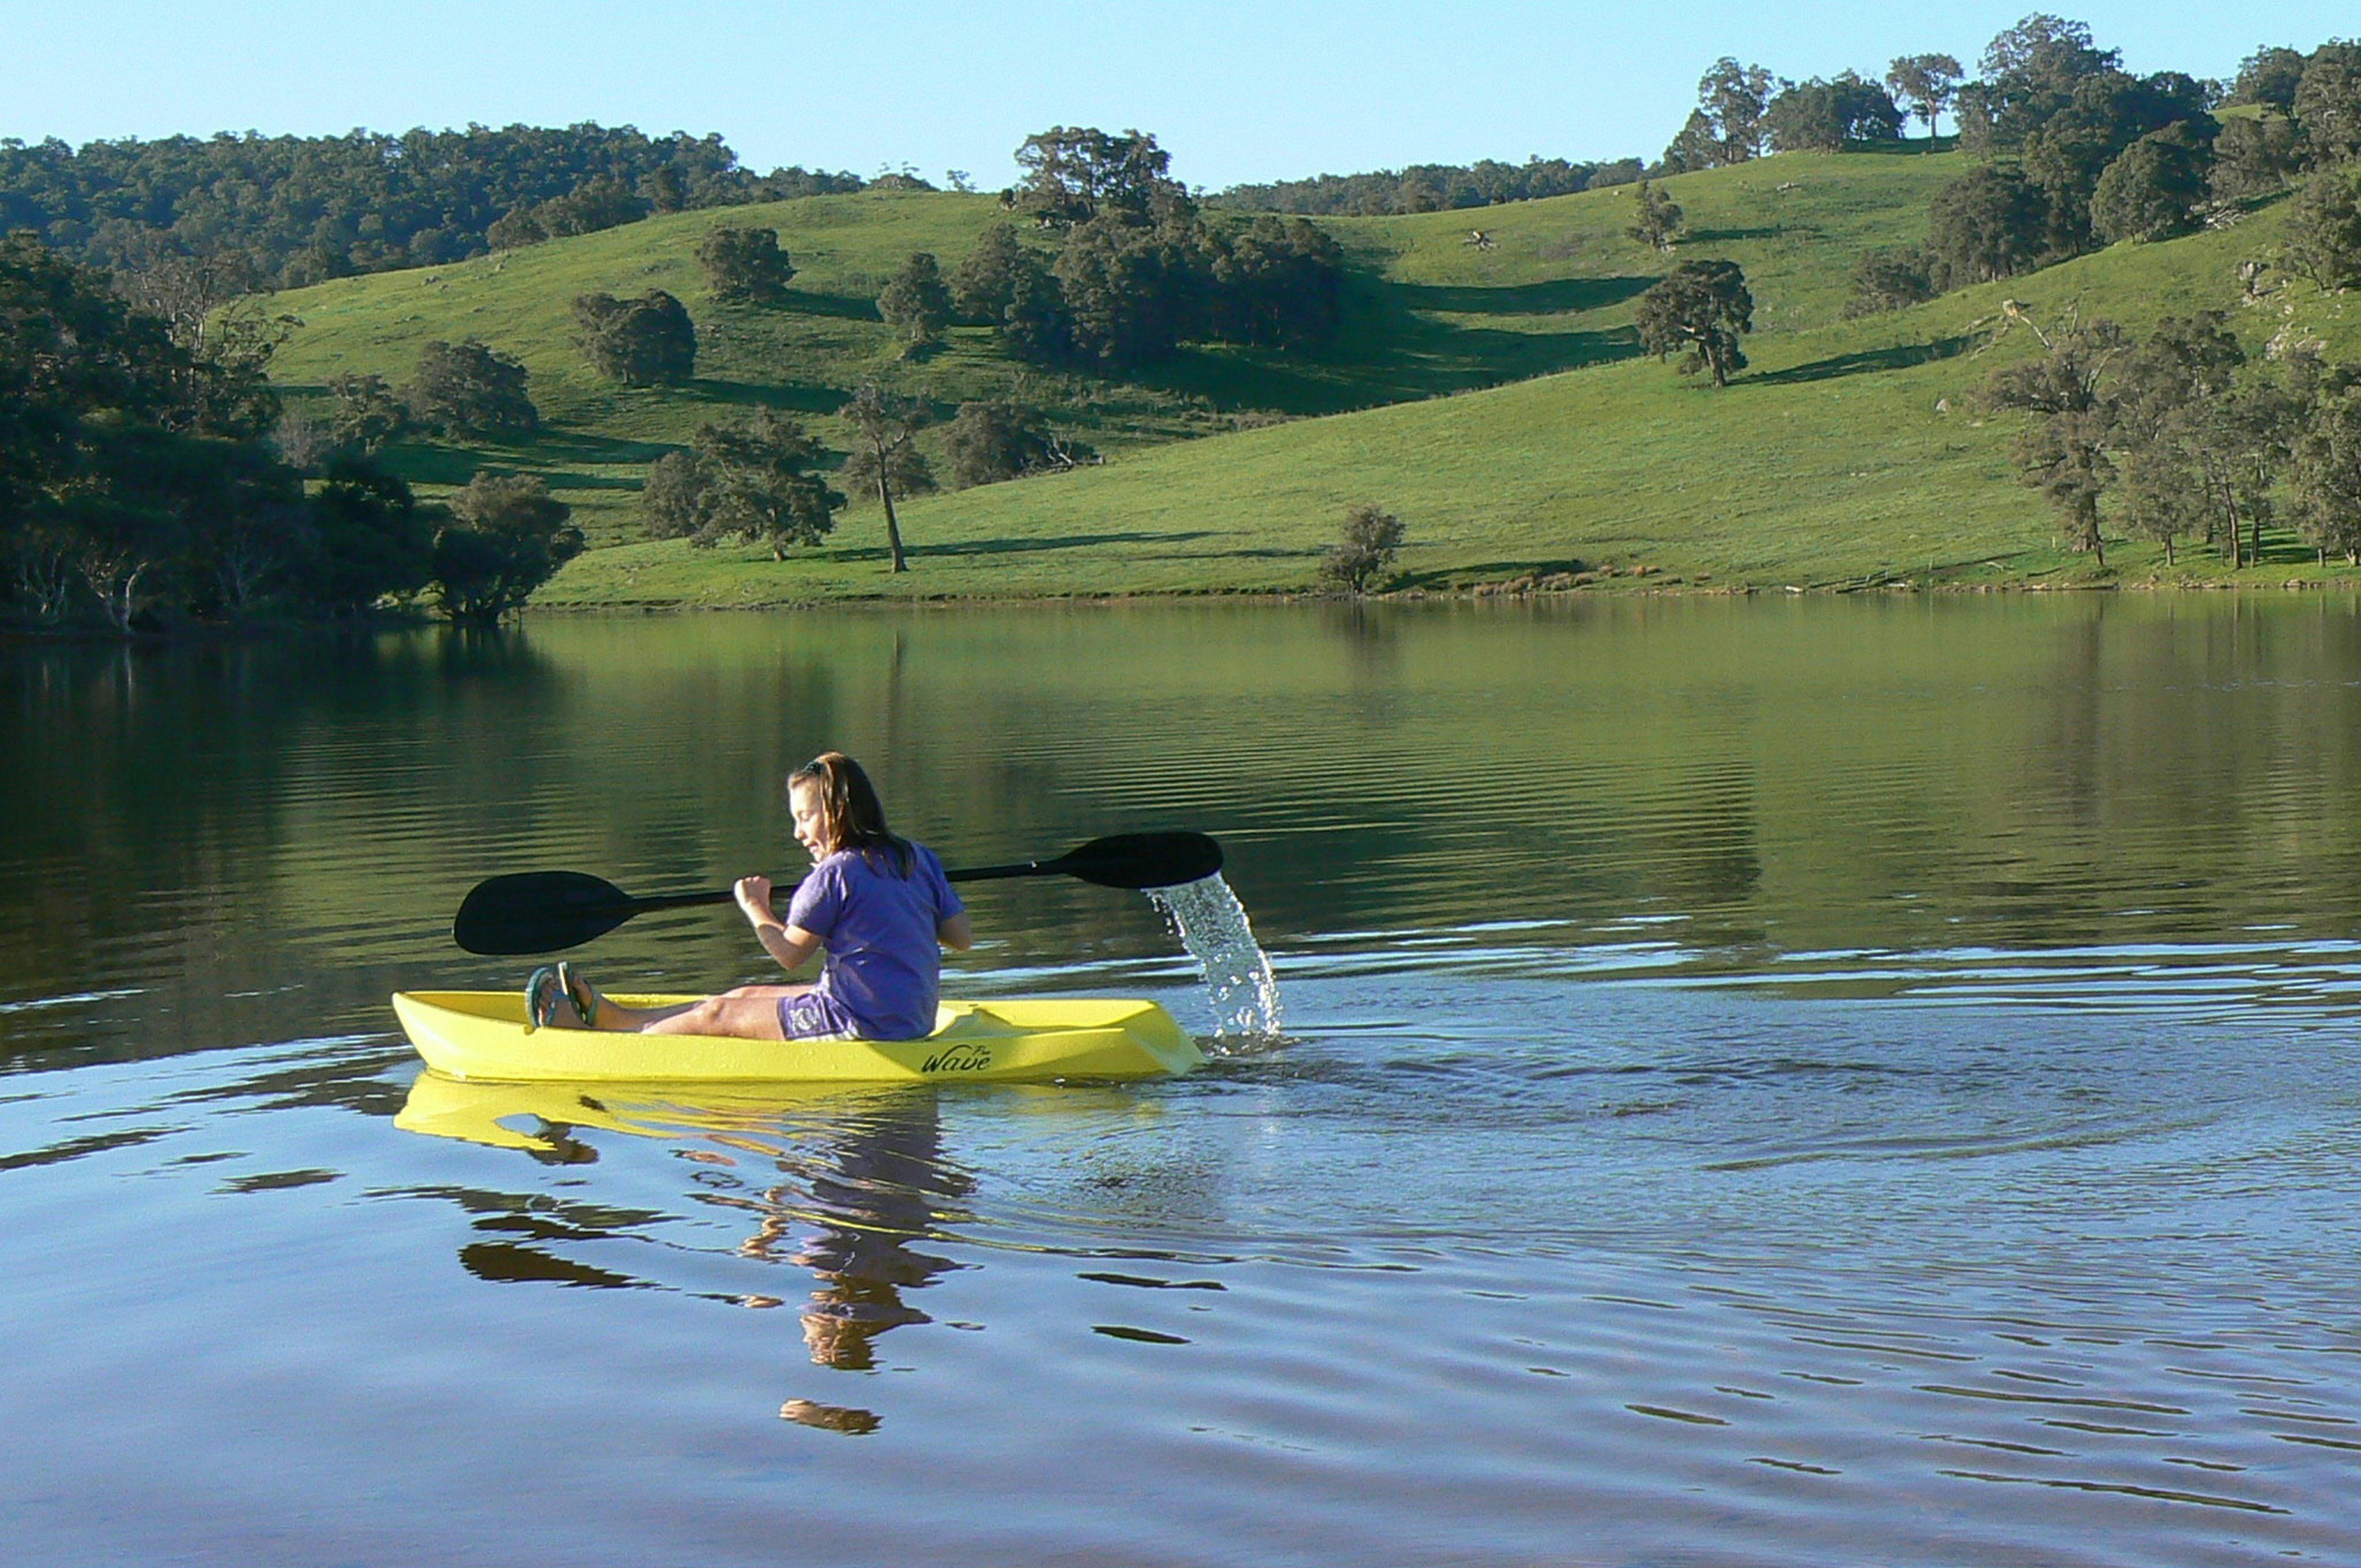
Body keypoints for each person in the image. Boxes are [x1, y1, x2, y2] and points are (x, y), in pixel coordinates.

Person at [528, 752, 973, 1041]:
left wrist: (754, 906)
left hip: (861, 1024)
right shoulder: (917, 858)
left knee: (719, 1014)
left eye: (806, 817)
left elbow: (788, 955)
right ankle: (617, 1020)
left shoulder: (834, 875)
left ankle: (599, 1042)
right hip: (912, 1014)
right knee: (744, 994)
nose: (799, 833)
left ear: (837, 811)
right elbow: (960, 938)